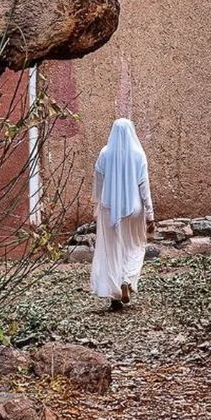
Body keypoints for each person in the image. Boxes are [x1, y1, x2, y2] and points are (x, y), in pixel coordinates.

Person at [90, 118, 154, 310]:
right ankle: (127, 279)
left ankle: (114, 297)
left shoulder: (104, 153)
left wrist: (98, 206)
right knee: (135, 246)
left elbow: (98, 182)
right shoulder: (138, 154)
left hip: (109, 209)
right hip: (134, 210)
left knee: (112, 252)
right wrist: (150, 215)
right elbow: (144, 187)